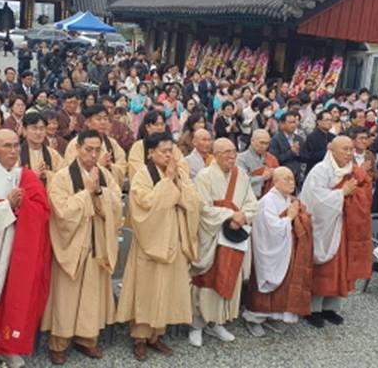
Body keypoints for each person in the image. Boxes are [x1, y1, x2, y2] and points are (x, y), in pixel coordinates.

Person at [116, 132, 203, 361]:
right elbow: (145, 206)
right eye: (163, 151)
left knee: (168, 287)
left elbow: (194, 202)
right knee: (146, 289)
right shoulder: (143, 176)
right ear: (150, 153)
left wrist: (175, 185)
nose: (168, 155)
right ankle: (140, 337)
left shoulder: (178, 173)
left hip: (173, 236)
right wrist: (167, 184)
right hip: (150, 240)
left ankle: (157, 335)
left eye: (171, 151)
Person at [41, 130, 123, 365]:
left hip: (97, 243)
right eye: (88, 149)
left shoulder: (105, 174)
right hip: (73, 245)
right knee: (66, 295)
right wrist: (87, 194)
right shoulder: (62, 177)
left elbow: (117, 205)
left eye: (98, 150)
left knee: (90, 294)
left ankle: (86, 339)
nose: (93, 154)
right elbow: (61, 212)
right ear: (77, 148)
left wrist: (99, 192)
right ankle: (59, 342)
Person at [0, 130, 51, 368]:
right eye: (7, 146)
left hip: (18, 250)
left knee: (11, 298)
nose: (13, 151)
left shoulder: (24, 176)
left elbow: (42, 207)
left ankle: (7, 347)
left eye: (16, 145)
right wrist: (8, 205)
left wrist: (21, 205)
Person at [188, 138, 258, 347]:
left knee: (230, 278)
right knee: (206, 281)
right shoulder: (204, 176)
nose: (231, 156)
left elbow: (252, 203)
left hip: (234, 238)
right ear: (215, 155)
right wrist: (230, 215)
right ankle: (196, 324)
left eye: (234, 152)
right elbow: (203, 208)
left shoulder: (242, 175)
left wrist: (243, 216)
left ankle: (217, 322)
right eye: (226, 152)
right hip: (212, 237)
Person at [298, 136, 373, 327]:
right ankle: (312, 309)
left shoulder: (353, 171)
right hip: (324, 227)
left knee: (341, 267)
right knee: (323, 268)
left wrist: (352, 194)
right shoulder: (320, 170)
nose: (349, 154)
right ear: (332, 150)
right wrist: (342, 193)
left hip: (343, 225)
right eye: (344, 150)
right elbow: (315, 200)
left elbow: (365, 190)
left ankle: (330, 307)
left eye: (350, 149)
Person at [243, 167, 313, 335]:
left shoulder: (289, 199)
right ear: (275, 182)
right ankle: (254, 318)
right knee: (264, 283)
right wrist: (289, 217)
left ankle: (274, 316)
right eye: (286, 179)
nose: (291, 182)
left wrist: (298, 216)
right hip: (268, 249)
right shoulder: (267, 201)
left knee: (284, 284)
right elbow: (272, 227)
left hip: (285, 248)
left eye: (292, 178)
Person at [62, 105, 128, 187]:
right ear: (88, 122)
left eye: (105, 119)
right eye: (98, 119)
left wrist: (110, 166)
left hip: (106, 191)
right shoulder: (76, 143)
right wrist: (98, 165)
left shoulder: (112, 143)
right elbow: (71, 171)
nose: (103, 122)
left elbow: (122, 165)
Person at [20, 112, 65, 184]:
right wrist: (33, 176)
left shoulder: (53, 154)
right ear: (24, 130)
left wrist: (47, 174)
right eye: (34, 128)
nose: (38, 132)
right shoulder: (16, 154)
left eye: (42, 128)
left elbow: (64, 177)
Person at [237, 129, 279, 197]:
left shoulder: (272, 158)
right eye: (261, 143)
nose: (264, 146)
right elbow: (241, 181)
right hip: (248, 197)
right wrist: (262, 177)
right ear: (252, 141)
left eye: (267, 143)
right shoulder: (241, 158)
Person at [269, 111, 305, 182]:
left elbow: (304, 157)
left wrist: (299, 153)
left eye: (294, 122)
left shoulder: (299, 139)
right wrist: (291, 152)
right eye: (290, 122)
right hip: (282, 176)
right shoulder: (276, 139)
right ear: (282, 124)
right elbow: (274, 159)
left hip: (297, 175)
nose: (293, 125)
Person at [301, 110, 336, 175]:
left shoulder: (333, 137)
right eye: (327, 120)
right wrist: (326, 150)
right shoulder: (312, 137)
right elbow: (308, 157)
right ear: (319, 122)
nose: (329, 122)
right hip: (315, 171)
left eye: (331, 120)